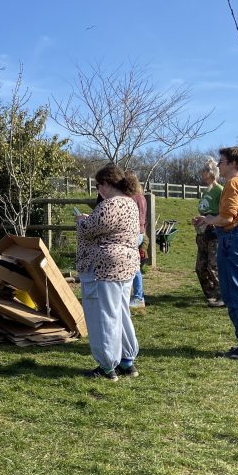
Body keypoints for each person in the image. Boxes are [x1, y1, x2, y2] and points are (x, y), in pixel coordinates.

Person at [194, 147, 238, 360]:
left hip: (236, 241)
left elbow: (227, 219)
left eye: (221, 161)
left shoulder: (234, 183)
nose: (218, 165)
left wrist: (207, 220)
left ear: (233, 163)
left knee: (235, 293)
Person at [75, 163, 142, 380]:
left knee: (103, 315)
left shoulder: (110, 205)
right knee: (121, 312)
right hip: (126, 265)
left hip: (105, 266)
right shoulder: (130, 204)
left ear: (106, 184)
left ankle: (107, 365)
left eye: (98, 186)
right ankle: (126, 361)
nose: (98, 191)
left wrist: (81, 221)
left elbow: (89, 230)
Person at [195, 157, 224, 307]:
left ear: (211, 172)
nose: (202, 173)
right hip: (202, 233)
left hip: (214, 233)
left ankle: (221, 295)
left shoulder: (220, 190)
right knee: (200, 267)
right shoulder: (206, 191)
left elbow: (223, 212)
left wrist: (209, 220)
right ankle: (210, 294)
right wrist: (199, 220)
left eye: (205, 170)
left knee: (213, 266)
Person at [129, 191, 148, 310]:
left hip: (134, 232)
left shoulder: (132, 198)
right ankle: (138, 296)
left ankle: (138, 297)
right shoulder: (141, 197)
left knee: (133, 266)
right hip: (140, 232)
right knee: (134, 265)